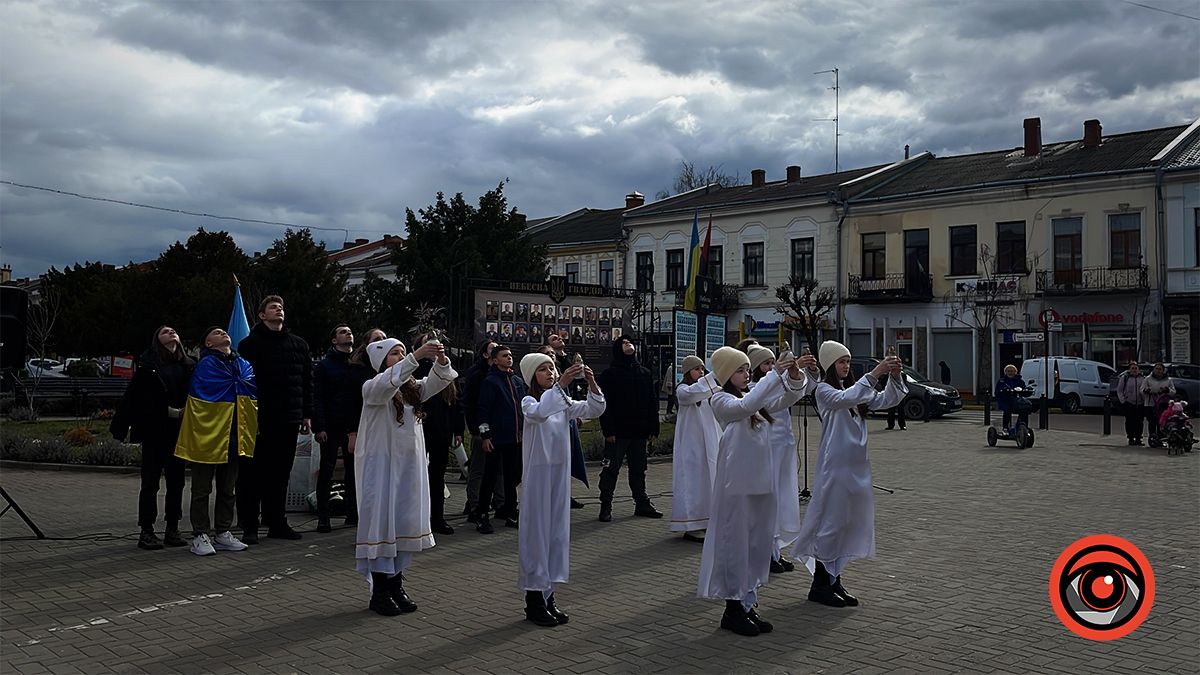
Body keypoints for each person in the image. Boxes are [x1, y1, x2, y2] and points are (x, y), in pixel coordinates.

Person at [697, 346, 808, 637]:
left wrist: (795, 377)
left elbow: (788, 397)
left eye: (747, 369)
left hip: (760, 484)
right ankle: (733, 608)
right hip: (737, 487)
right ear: (724, 375)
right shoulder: (720, 400)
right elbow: (746, 407)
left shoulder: (752, 396)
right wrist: (777, 374)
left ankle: (748, 602)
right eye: (740, 369)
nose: (746, 374)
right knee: (737, 544)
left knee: (756, 544)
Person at [792, 341, 906, 608]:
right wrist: (876, 373)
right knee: (831, 523)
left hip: (856, 468)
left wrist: (895, 374)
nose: (846, 366)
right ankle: (820, 583)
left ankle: (834, 579)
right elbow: (848, 398)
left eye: (848, 361)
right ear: (830, 365)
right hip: (835, 467)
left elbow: (886, 399)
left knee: (846, 523)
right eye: (841, 361)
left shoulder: (851, 389)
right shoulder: (824, 390)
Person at [355, 337, 455, 616]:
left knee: (403, 522)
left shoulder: (411, 391)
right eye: (394, 353)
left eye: (402, 352)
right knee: (382, 524)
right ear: (381, 361)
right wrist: (416, 354)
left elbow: (437, 382)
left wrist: (440, 359)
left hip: (408, 469)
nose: (400, 356)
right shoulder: (372, 387)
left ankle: (397, 583)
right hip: (383, 469)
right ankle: (380, 591)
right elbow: (389, 383)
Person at [516, 352, 605, 627]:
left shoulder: (562, 401)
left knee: (556, 535)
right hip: (538, 479)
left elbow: (593, 410)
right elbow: (541, 413)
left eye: (552, 368)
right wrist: (562, 383)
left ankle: (549, 595)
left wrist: (592, 385)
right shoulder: (529, 401)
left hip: (558, 479)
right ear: (532, 376)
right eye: (543, 370)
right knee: (537, 536)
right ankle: (533, 600)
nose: (550, 373)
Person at [236, 295, 313, 543]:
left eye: (281, 306)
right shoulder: (249, 345)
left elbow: (306, 382)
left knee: (280, 474)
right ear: (261, 315)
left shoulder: (299, 344)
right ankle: (249, 524)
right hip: (258, 419)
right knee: (253, 474)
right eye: (273, 307)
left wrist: (306, 413)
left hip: (289, 418)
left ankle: (277, 522)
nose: (279, 309)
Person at [174, 327, 257, 556]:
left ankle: (222, 532)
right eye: (216, 332)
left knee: (228, 488)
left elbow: (249, 389)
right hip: (209, 435)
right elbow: (204, 392)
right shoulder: (206, 365)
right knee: (202, 489)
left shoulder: (242, 364)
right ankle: (200, 534)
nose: (223, 333)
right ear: (208, 344)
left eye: (224, 331)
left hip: (233, 434)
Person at [111, 326, 195, 550]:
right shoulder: (149, 366)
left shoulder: (188, 365)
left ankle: (172, 528)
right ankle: (146, 530)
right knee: (150, 482)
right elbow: (134, 397)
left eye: (174, 330)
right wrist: (120, 427)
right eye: (165, 331)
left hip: (179, 432)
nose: (171, 332)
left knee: (176, 482)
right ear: (156, 339)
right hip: (154, 431)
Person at [747, 345, 820, 574]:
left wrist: (803, 373)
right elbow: (771, 399)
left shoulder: (775, 383)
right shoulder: (753, 388)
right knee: (768, 502)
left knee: (781, 501)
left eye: (772, 362)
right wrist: (781, 373)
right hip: (766, 450)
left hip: (783, 449)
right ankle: (764, 553)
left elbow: (797, 392)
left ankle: (774, 550)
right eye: (766, 364)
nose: (770, 367)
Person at [596, 335, 661, 522]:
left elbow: (651, 401)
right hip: (618, 432)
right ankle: (605, 505)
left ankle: (642, 503)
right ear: (617, 348)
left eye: (630, 342)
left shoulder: (644, 373)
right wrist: (608, 431)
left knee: (639, 470)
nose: (629, 345)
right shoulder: (610, 374)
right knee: (610, 470)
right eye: (624, 343)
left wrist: (653, 427)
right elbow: (604, 404)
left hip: (639, 431)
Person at [413, 333, 465, 535]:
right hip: (420, 427)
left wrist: (458, 430)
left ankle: (437, 518)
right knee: (416, 474)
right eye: (428, 343)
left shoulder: (446, 368)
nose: (434, 346)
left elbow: (456, 402)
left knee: (437, 476)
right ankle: (417, 517)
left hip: (441, 429)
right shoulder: (415, 368)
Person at [475, 344, 528, 533]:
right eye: (505, 356)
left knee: (512, 476)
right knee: (490, 476)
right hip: (496, 438)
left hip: (515, 438)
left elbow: (523, 408)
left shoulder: (517, 381)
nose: (509, 358)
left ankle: (510, 512)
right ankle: (482, 515)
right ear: (495, 360)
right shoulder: (490, 382)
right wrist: (486, 435)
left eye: (511, 355)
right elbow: (483, 410)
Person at [312, 324, 358, 533]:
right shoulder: (324, 366)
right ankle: (324, 516)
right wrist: (319, 426)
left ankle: (353, 512)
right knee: (328, 470)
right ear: (334, 340)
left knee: (354, 471)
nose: (348, 334)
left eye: (349, 331)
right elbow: (318, 398)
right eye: (342, 332)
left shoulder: (356, 365)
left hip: (354, 426)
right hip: (331, 426)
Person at [669, 355, 720, 543]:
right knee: (692, 482)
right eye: (697, 369)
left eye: (702, 369)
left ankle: (706, 521)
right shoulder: (683, 389)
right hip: (691, 446)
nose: (701, 372)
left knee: (709, 480)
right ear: (688, 371)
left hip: (709, 443)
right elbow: (691, 394)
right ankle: (690, 525)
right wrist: (716, 373)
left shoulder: (707, 390)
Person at [342, 327, 386, 529]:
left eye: (384, 339)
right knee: (357, 472)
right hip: (361, 427)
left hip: (382, 429)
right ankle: (354, 513)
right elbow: (351, 402)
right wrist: (352, 432)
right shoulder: (357, 370)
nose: (381, 341)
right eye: (377, 339)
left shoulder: (387, 370)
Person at [461, 340, 505, 520]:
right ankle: (475, 506)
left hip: (499, 430)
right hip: (481, 429)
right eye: (493, 349)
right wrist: (476, 429)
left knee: (499, 469)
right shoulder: (477, 374)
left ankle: (501, 503)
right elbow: (472, 404)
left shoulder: (502, 375)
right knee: (478, 469)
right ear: (487, 355)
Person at [547, 335, 589, 509]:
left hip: (567, 413)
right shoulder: (547, 373)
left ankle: (565, 494)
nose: (559, 339)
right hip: (550, 420)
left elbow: (572, 386)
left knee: (567, 457)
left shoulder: (565, 360)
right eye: (553, 338)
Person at [1143, 363, 1176, 447]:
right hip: (1150, 404)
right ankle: (1152, 439)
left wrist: (1167, 390)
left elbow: (1173, 392)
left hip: (1163, 404)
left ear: (1163, 370)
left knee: (1161, 422)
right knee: (1152, 422)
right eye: (1156, 369)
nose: (1158, 371)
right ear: (1153, 370)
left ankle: (1161, 440)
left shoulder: (1168, 380)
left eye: (1160, 369)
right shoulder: (1147, 379)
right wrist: (1146, 390)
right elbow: (1141, 390)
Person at [1115, 362, 1146, 445]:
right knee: (1129, 421)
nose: (1134, 370)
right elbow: (1119, 390)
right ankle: (1131, 438)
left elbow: (1144, 389)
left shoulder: (1142, 378)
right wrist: (1123, 400)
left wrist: (1144, 399)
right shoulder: (1124, 378)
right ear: (1129, 369)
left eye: (1136, 368)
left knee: (1139, 421)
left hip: (1140, 403)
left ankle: (1138, 438)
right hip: (1129, 403)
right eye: (1132, 368)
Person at [995, 364, 1029, 430]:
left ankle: (1024, 427)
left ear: (1015, 372)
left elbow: (1024, 388)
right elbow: (997, 391)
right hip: (1006, 401)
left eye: (1012, 371)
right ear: (1006, 372)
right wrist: (1003, 391)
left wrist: (1026, 390)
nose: (1010, 373)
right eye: (1008, 371)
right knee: (1007, 410)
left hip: (1017, 400)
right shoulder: (1002, 381)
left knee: (1025, 409)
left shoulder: (1019, 380)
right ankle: (1005, 427)